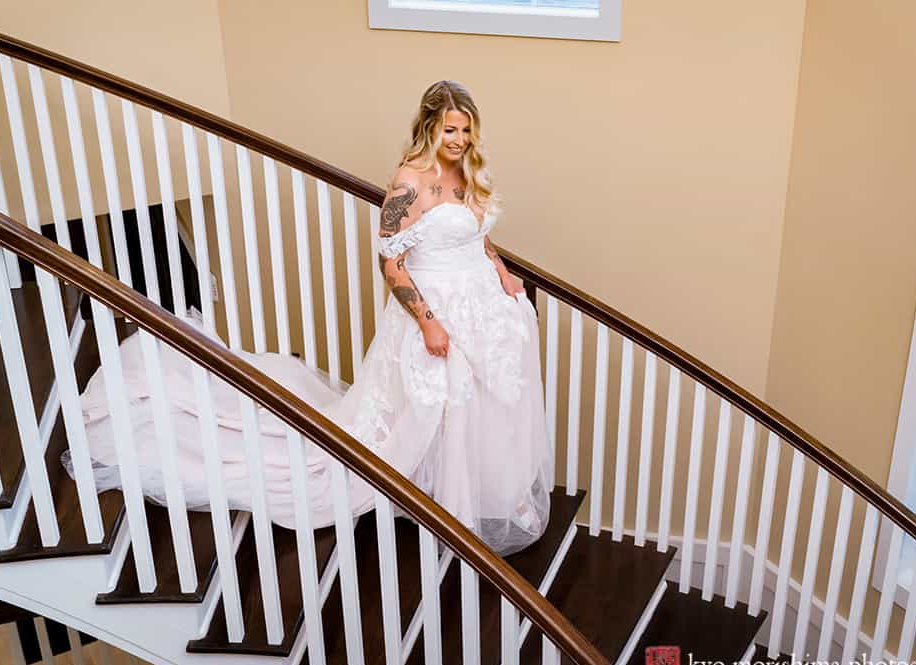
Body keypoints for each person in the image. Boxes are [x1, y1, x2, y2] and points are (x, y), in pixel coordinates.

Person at [64, 80, 553, 556]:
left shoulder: (467, 173)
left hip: (481, 308)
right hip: (438, 308)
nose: (460, 141)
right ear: (429, 127)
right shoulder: (409, 183)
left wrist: (503, 273)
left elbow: (476, 235)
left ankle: (473, 495)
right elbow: (391, 263)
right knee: (439, 405)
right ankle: (449, 510)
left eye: (466, 131)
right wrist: (428, 322)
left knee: (478, 406)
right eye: (450, 131)